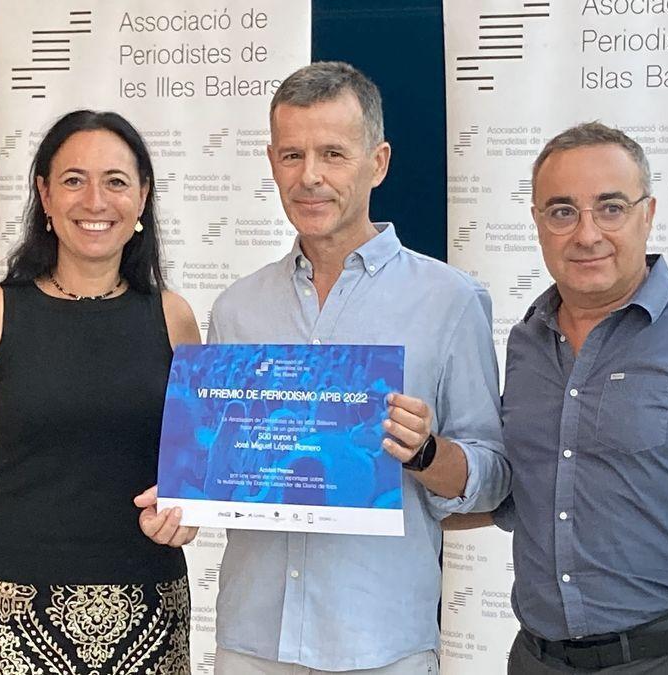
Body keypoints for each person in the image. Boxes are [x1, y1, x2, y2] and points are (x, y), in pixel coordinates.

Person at [181, 60, 509, 674]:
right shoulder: (237, 308)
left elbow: (494, 478)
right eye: (291, 155)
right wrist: (183, 498)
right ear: (271, 161)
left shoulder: (451, 300)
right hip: (252, 641)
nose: (310, 177)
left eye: (333, 154)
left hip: (382, 643)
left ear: (377, 163)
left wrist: (427, 453)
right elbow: (215, 467)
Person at [449, 121, 668, 675]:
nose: (586, 233)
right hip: (535, 659)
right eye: (562, 211)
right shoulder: (526, 342)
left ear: (649, 212)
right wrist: (366, 491)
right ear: (538, 222)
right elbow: (514, 494)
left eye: (610, 207)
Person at [0, 110, 201, 675]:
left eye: (115, 181)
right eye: (74, 179)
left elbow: (190, 471)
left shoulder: (174, 319)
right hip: (18, 608)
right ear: (45, 195)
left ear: (143, 198)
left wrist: (190, 508)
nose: (95, 201)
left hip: (152, 603)